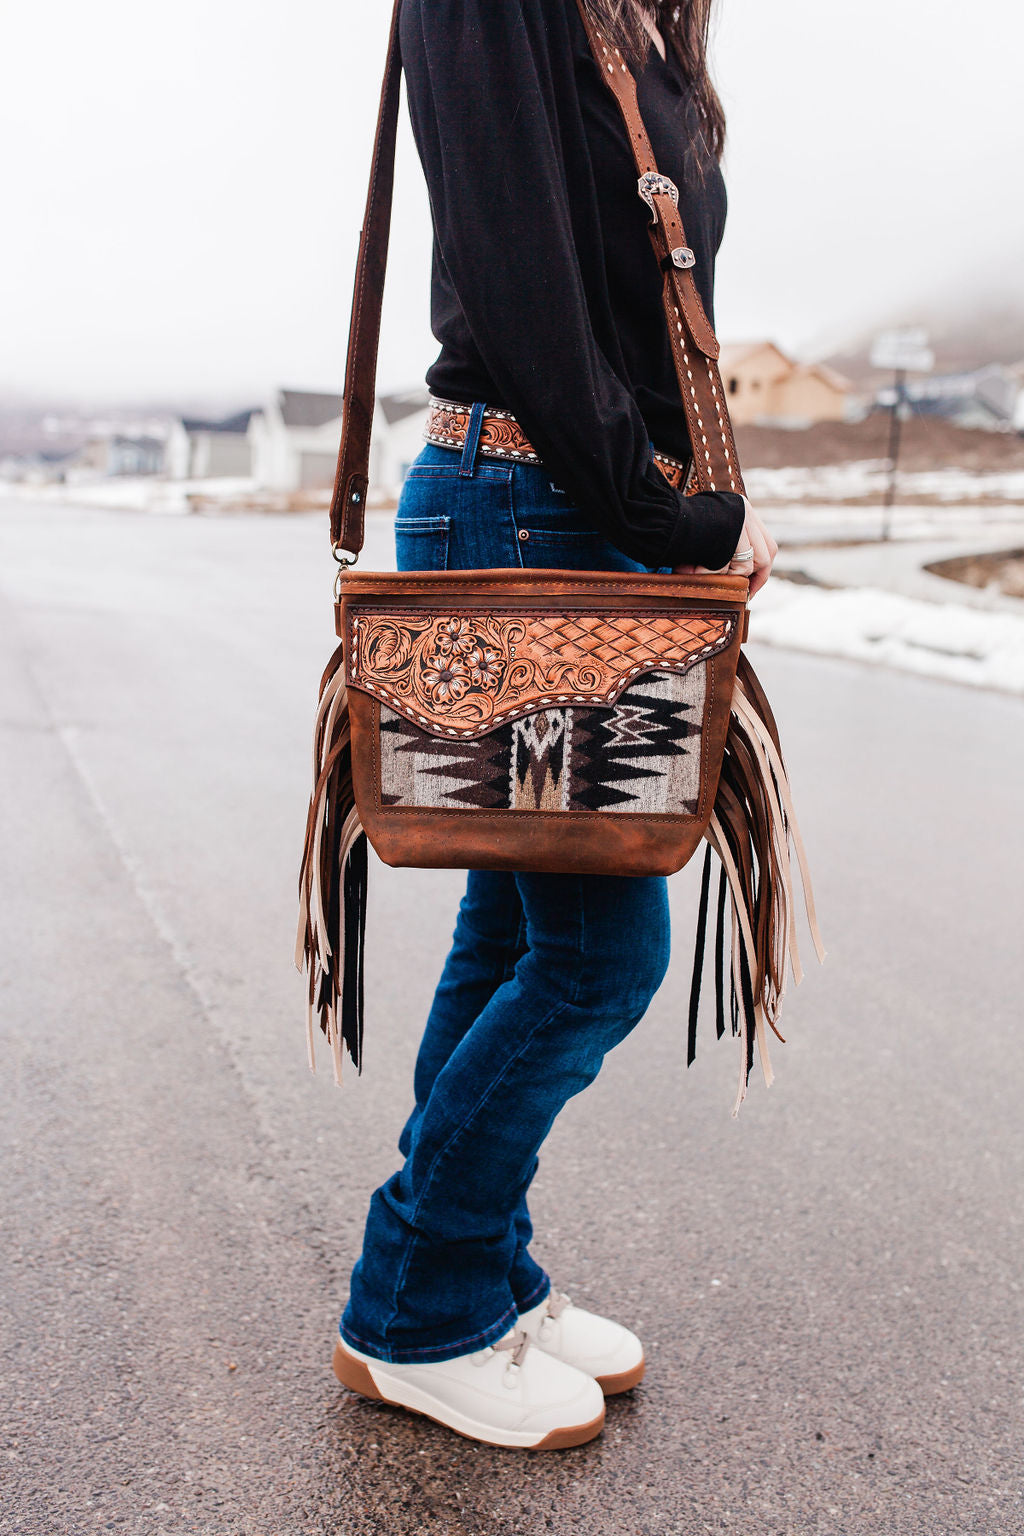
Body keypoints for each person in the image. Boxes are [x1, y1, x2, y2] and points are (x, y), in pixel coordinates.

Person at [332, 0, 777, 1450]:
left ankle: (484, 1271)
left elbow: (643, 306)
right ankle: (415, 1304)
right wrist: (676, 508)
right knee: (599, 956)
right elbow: (525, 293)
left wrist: (710, 502)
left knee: (522, 936)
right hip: (529, 506)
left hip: (586, 510)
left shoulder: (637, 25)